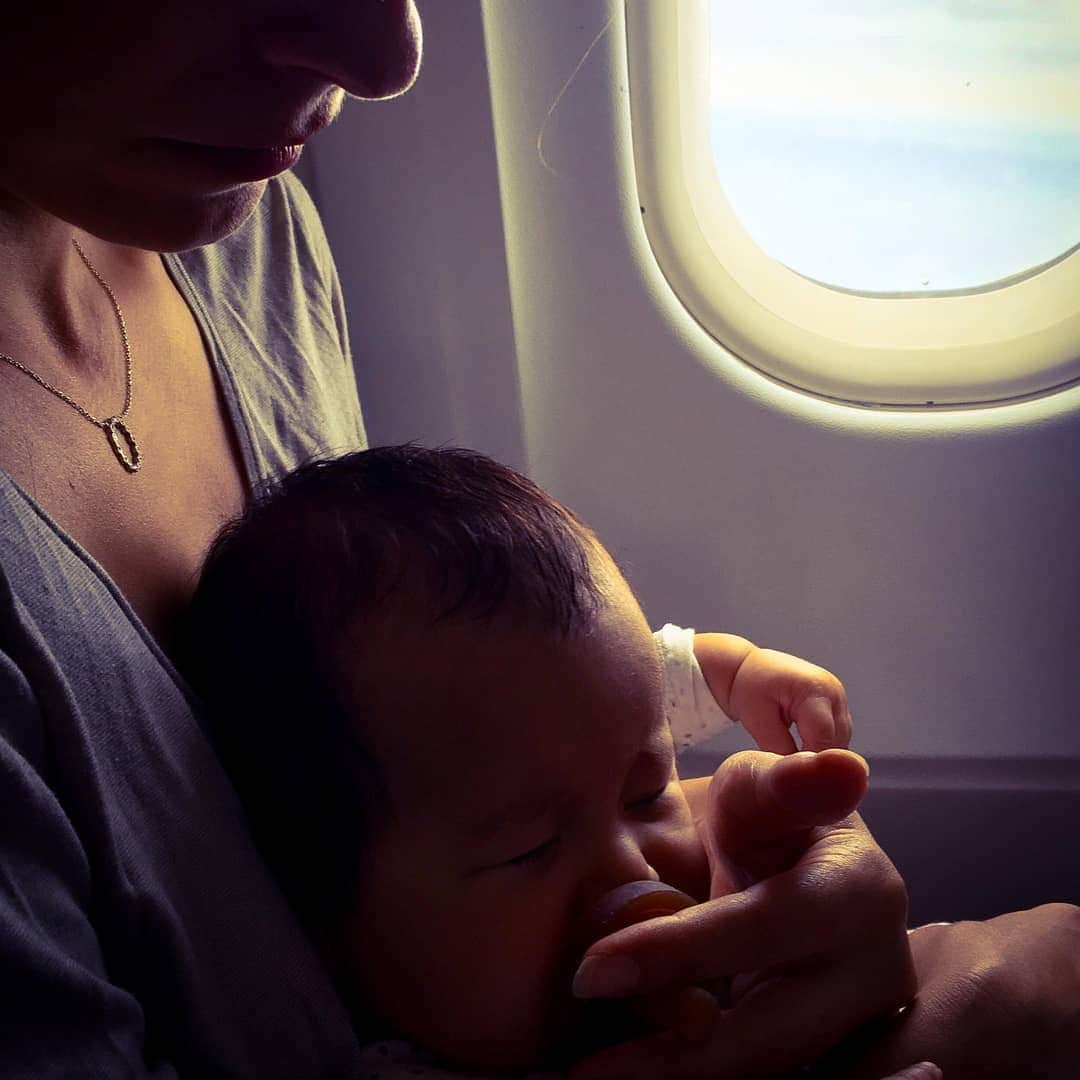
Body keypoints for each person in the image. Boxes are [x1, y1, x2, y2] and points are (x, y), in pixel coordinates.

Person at [0, 2, 1074, 1078]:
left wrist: (756, 873)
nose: (387, 59)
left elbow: (437, 760)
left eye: (647, 786)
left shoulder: (233, 218)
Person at [178, 443, 896, 1076]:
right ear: (323, 921)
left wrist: (737, 673)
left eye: (647, 794)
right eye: (528, 851)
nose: (632, 873)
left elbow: (633, 687)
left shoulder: (548, 738)